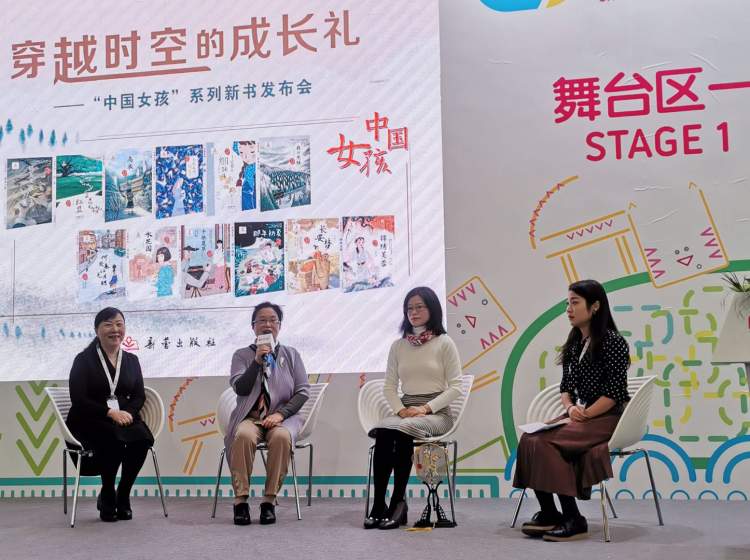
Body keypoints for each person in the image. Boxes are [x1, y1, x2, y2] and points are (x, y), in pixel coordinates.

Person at [513, 279, 631, 542]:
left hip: (607, 418)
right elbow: (566, 387)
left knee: (545, 443)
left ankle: (573, 518)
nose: (568, 309)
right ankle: (549, 512)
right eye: (568, 303)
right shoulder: (575, 342)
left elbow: (614, 394)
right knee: (530, 439)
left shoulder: (613, 342)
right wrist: (570, 408)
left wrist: (585, 415)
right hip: (582, 415)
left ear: (595, 306)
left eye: (575, 302)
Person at [364, 286, 464, 530]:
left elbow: (456, 387)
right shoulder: (398, 346)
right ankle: (378, 504)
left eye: (419, 307)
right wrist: (401, 410)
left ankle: (398, 502)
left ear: (432, 309)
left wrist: (425, 408)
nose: (414, 312)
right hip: (406, 410)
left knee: (403, 429)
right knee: (384, 430)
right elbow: (389, 387)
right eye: (409, 308)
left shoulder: (444, 342)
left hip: (437, 414)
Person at [225, 302, 310, 525]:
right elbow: (241, 388)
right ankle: (240, 500)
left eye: (273, 320)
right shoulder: (241, 355)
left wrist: (280, 414)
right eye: (262, 320)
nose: (267, 324)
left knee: (281, 437)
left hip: (282, 418)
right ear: (253, 326)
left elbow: (303, 392)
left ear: (279, 326)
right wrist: (256, 362)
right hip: (251, 418)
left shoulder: (291, 354)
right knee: (243, 436)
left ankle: (269, 501)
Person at [66, 307, 154, 522]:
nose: (115, 329)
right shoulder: (83, 360)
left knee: (143, 439)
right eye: (108, 325)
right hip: (90, 418)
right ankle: (107, 493)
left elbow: (139, 395)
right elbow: (78, 398)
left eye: (119, 324)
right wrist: (110, 413)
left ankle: (122, 493)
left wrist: (128, 413)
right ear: (97, 330)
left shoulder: (131, 360)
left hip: (122, 417)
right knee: (112, 439)